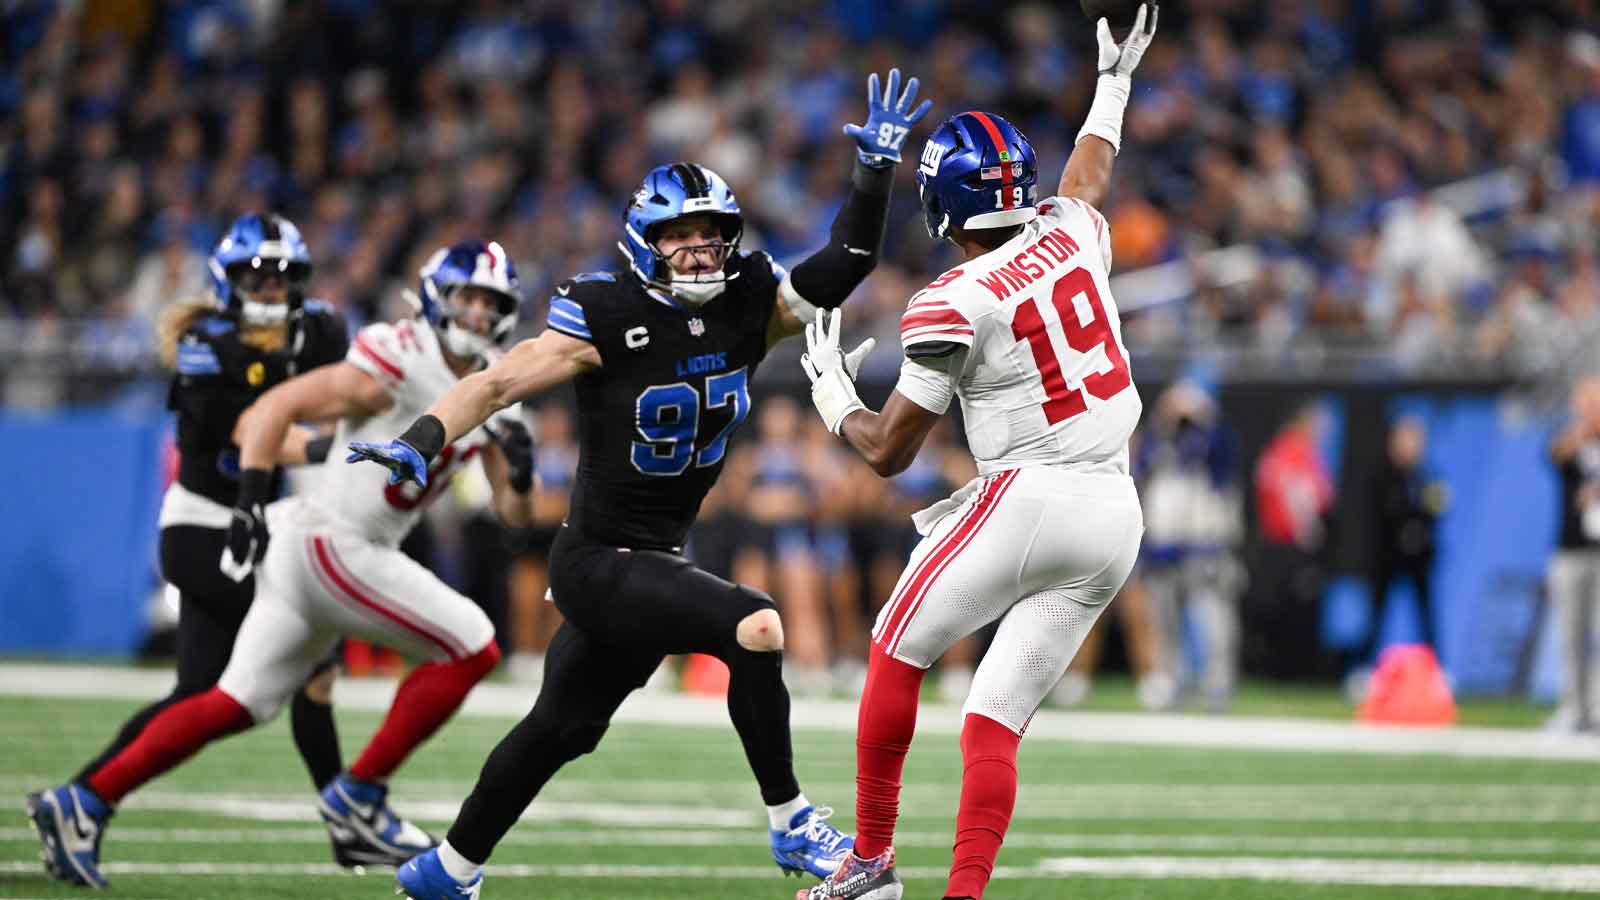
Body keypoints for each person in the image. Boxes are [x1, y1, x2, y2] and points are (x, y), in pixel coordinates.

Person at [349, 68, 933, 900]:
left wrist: (874, 172)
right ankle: (792, 822)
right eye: (678, 236)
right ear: (643, 242)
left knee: (562, 728)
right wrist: (421, 437)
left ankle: (447, 869)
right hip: (595, 559)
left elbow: (848, 259)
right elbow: (496, 383)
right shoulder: (604, 310)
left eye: (709, 234)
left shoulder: (749, 303)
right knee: (757, 627)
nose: (697, 249)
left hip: (650, 556)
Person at [30, 240, 538, 888]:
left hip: (322, 551)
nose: (474, 312)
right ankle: (359, 795)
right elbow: (272, 410)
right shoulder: (399, 357)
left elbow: (512, 516)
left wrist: (519, 475)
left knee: (237, 702)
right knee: (474, 645)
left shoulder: (500, 384)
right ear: (438, 296)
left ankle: (85, 800)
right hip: (336, 539)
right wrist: (247, 502)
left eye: (488, 301)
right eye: (466, 296)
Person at [792, 10, 1157, 900]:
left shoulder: (954, 297)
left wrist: (833, 394)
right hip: (1115, 514)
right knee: (992, 723)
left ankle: (871, 863)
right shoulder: (1074, 233)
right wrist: (1113, 82)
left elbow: (885, 451)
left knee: (891, 651)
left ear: (940, 203)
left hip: (1030, 497)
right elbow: (1089, 177)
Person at [27, 213, 349, 888]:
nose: (270, 284)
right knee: (315, 651)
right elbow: (249, 435)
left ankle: (80, 801)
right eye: (256, 273)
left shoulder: (320, 329)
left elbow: (341, 400)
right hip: (205, 529)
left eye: (283, 274)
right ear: (226, 281)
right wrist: (331, 448)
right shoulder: (209, 342)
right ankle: (349, 816)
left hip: (255, 525)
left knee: (197, 693)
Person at [1135, 377, 1244, 711]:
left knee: (1212, 615)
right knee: (1164, 617)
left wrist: (1204, 417)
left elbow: (1224, 459)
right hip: (1163, 544)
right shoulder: (1157, 442)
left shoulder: (1213, 442)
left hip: (1205, 543)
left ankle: (1217, 684)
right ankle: (1172, 679)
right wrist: (1162, 421)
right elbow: (1140, 469)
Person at [1358, 416, 1447, 666]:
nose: (1411, 445)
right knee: (1377, 615)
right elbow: (1379, 516)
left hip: (1419, 558)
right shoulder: (1381, 476)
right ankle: (1366, 666)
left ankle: (1434, 668)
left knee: (1426, 614)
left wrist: (1420, 532)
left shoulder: (1427, 476)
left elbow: (1436, 510)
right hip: (1387, 556)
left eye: (1415, 439)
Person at [1547, 376, 1600, 732]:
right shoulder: (1570, 438)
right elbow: (1555, 455)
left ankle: (1597, 710)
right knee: (1570, 636)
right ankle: (1573, 708)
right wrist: (1582, 432)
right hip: (1571, 550)